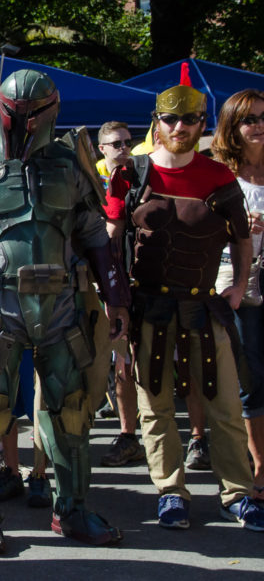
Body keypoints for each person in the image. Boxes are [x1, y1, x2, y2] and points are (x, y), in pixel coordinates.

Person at [0, 69, 130, 553]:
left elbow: (96, 236)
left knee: (72, 411)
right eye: (14, 112)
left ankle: (73, 510)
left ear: (51, 112)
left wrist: (116, 297)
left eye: (32, 114)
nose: (21, 122)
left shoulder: (69, 161)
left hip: (61, 307)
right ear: (0, 109)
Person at [106, 83, 264, 532]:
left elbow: (241, 237)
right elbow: (112, 236)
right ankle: (169, 491)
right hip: (148, 308)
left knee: (226, 404)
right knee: (154, 407)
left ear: (201, 124)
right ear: (157, 122)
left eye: (190, 119)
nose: (179, 127)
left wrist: (235, 288)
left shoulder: (218, 176)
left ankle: (237, 493)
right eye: (171, 119)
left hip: (204, 307)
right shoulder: (131, 174)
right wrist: (113, 298)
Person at [209, 88, 264, 502]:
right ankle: (257, 466)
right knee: (252, 376)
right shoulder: (218, 174)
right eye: (249, 119)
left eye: (263, 118)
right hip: (237, 283)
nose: (259, 126)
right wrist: (234, 227)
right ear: (232, 127)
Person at [93, 122, 146, 468]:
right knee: (122, 360)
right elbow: (109, 235)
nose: (124, 148)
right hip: (116, 281)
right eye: (116, 143)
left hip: (147, 278)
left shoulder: (143, 176)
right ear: (102, 149)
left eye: (128, 142)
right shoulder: (98, 183)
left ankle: (199, 438)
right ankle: (129, 435)